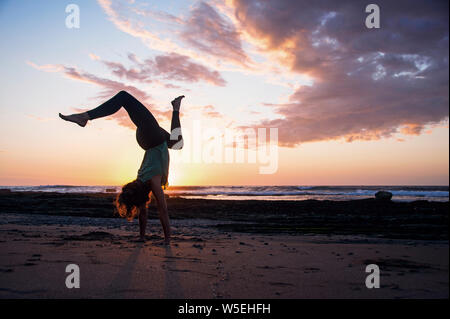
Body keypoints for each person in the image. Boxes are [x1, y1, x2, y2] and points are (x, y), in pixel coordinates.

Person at [59, 90, 184, 244]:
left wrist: (163, 239)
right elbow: (159, 211)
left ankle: (85, 117)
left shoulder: (146, 180)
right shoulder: (146, 180)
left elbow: (158, 211)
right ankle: (176, 107)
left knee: (124, 98)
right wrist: (152, 239)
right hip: (153, 140)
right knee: (177, 143)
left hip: (152, 139)